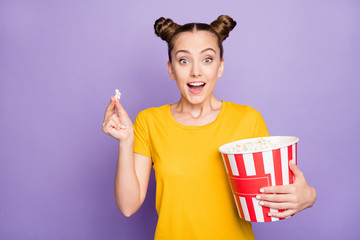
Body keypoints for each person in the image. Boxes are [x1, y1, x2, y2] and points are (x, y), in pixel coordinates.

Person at [102, 15, 316, 240]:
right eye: (184, 60)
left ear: (220, 67)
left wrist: (308, 196)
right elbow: (128, 206)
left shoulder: (248, 120)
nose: (196, 71)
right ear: (171, 69)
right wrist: (126, 142)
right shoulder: (149, 121)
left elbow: (275, 194)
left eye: (207, 59)